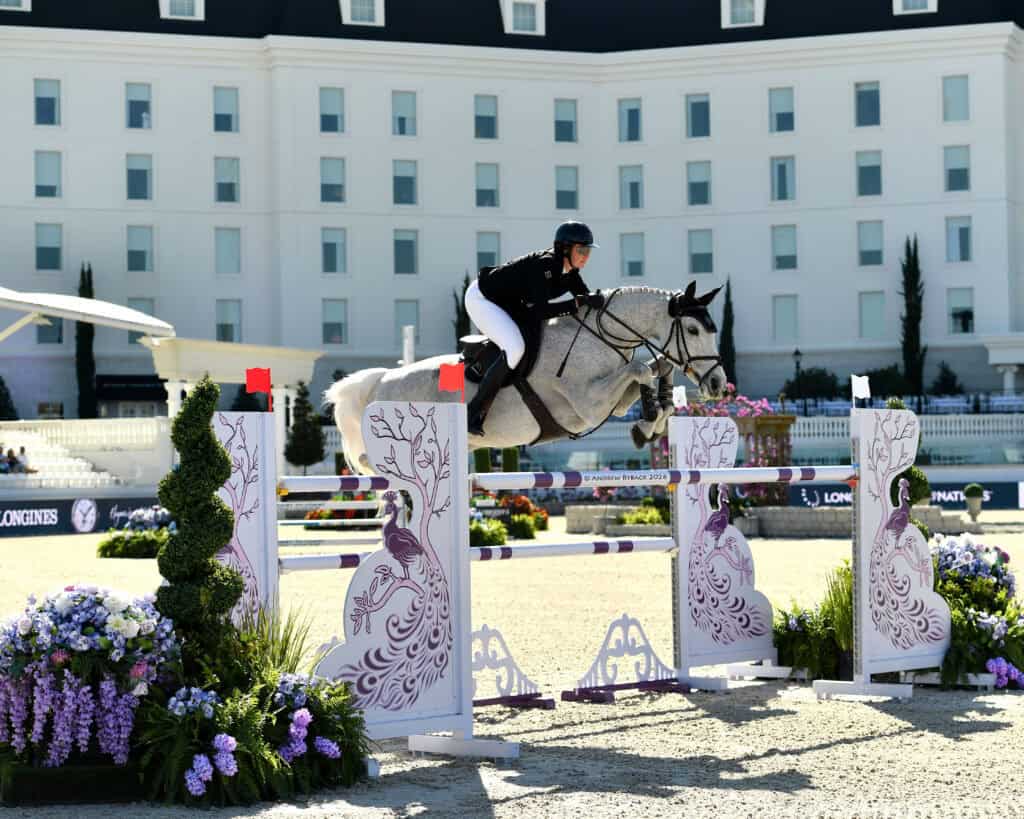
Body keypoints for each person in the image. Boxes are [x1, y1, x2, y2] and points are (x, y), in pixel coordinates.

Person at [463, 221, 605, 436]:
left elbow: (584, 300)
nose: (586, 256)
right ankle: (473, 413)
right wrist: (575, 305)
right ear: (565, 249)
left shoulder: (570, 272)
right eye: (581, 250)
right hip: (483, 299)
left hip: (509, 303)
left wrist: (596, 300)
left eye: (588, 251)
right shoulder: (544, 266)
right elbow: (540, 312)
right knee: (515, 347)